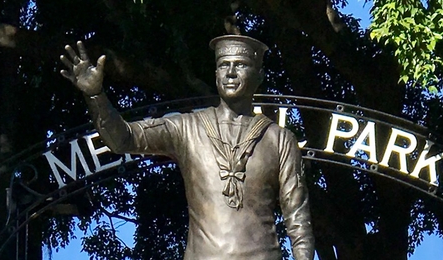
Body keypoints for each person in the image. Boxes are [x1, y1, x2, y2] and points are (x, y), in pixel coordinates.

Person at [59, 35, 314, 260]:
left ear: (259, 77)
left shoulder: (279, 140)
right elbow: (123, 139)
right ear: (215, 75)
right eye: (224, 65)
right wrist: (96, 96)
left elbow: (298, 217)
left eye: (241, 65)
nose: (231, 73)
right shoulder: (187, 128)